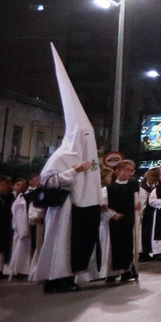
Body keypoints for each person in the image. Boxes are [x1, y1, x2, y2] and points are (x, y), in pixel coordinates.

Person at [31, 46, 110, 293]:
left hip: (83, 208)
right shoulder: (63, 155)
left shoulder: (90, 157)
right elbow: (47, 180)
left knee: (78, 245)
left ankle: (70, 277)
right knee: (61, 245)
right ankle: (55, 279)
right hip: (65, 209)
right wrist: (73, 171)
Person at [103, 159, 141, 283]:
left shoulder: (133, 185)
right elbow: (103, 205)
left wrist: (138, 205)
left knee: (127, 245)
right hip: (114, 221)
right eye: (127, 170)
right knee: (113, 246)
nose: (130, 173)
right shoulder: (109, 187)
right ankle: (111, 273)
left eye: (132, 171)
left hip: (128, 219)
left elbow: (138, 200)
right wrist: (112, 214)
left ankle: (126, 270)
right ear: (118, 171)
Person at [5, 180, 35, 279]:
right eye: (18, 184)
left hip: (26, 229)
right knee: (21, 251)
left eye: (23, 185)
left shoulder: (25, 196)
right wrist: (23, 230)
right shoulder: (23, 197)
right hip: (22, 229)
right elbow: (19, 214)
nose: (21, 187)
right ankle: (21, 271)